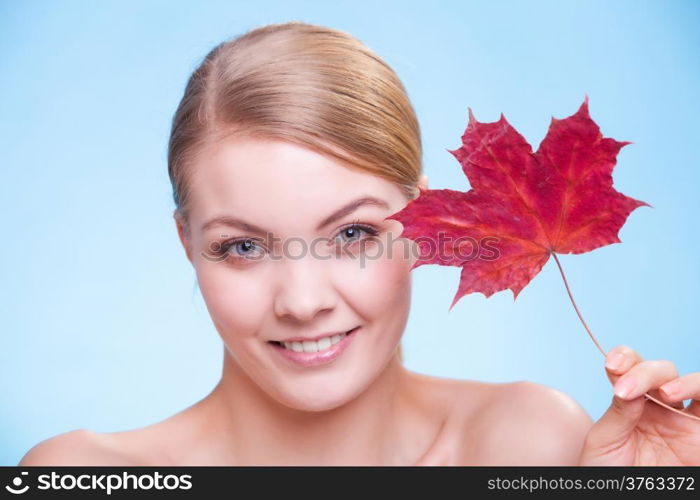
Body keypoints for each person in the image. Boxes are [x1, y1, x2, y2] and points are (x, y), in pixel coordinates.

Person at [19, 21, 700, 466]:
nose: (304, 301)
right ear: (187, 243)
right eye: (243, 248)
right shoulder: (80, 473)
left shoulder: (527, 443)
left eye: (353, 234)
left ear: (429, 222)